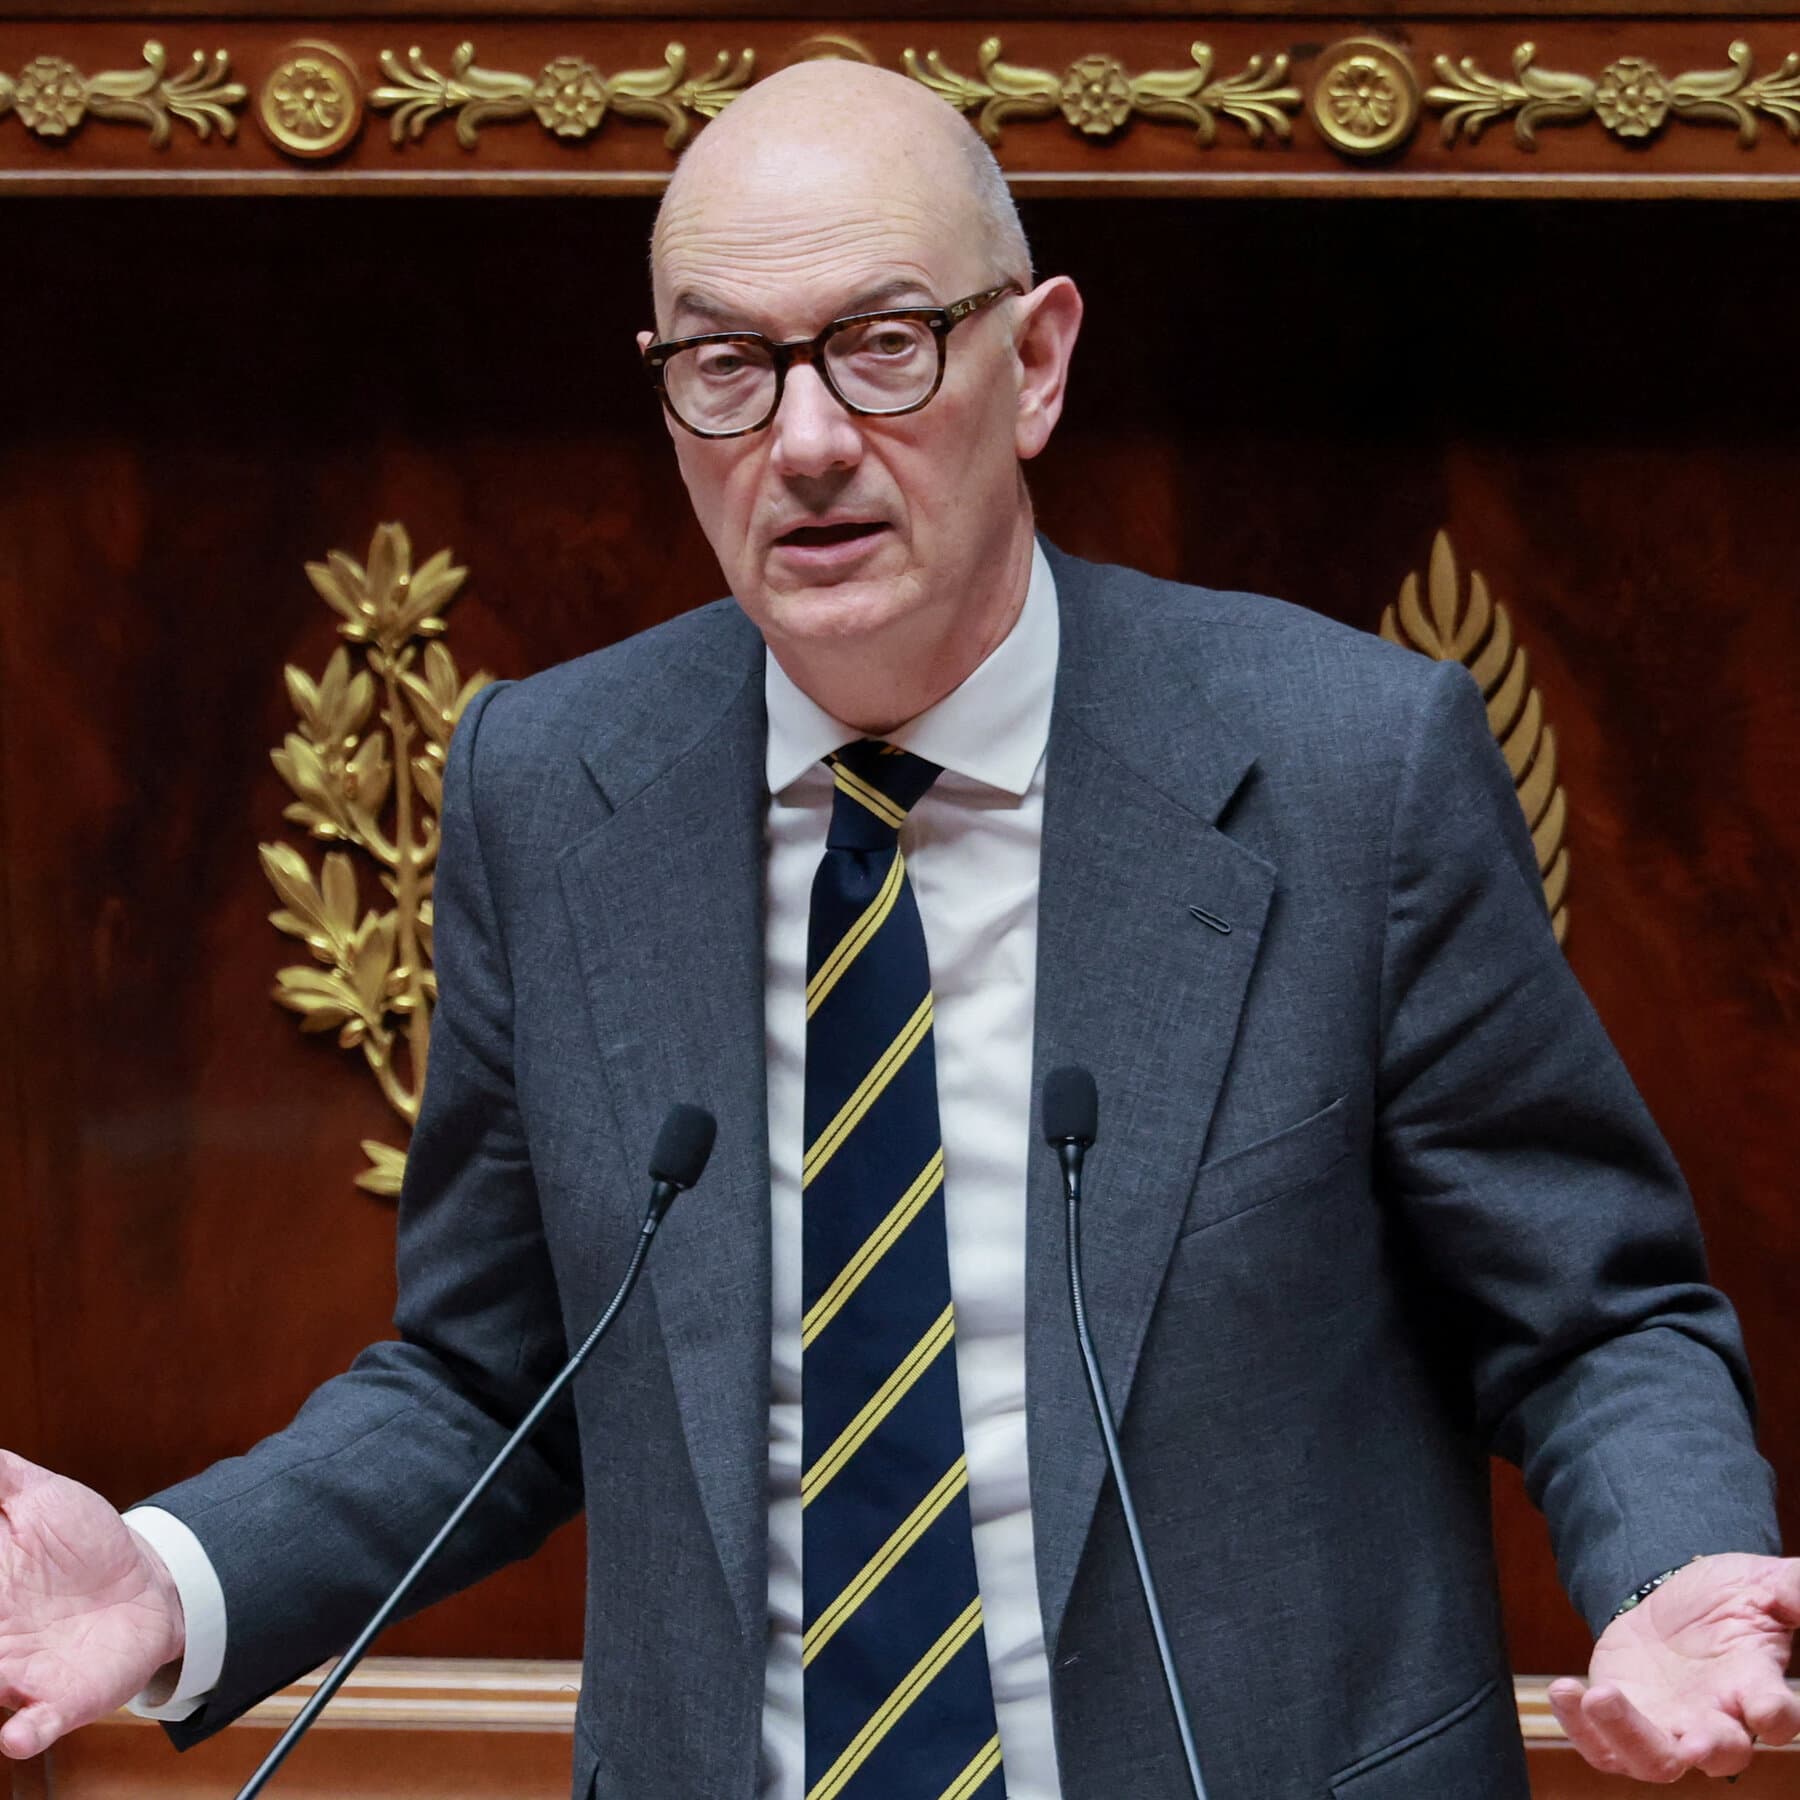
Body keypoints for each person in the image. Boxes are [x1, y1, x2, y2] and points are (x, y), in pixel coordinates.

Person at [0, 58, 1794, 1800]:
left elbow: (1592, 1313)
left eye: (883, 346)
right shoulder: (551, 786)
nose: (805, 444)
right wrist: (169, 1580)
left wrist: (1681, 1569)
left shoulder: (1347, 767)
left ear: (1037, 362)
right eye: (725, 365)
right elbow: (493, 1371)